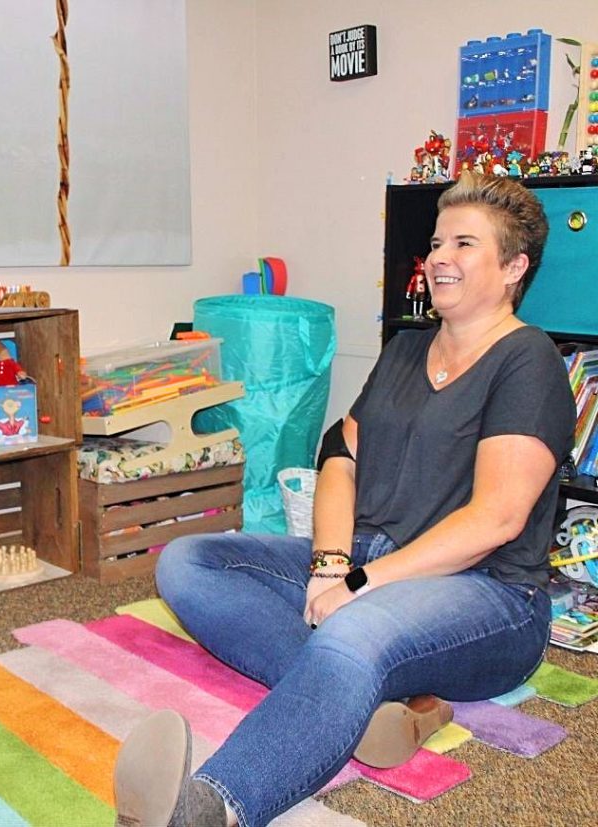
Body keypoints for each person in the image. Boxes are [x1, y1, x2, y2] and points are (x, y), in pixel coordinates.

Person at [113, 173, 575, 827]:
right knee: (188, 561)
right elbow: (340, 455)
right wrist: (331, 564)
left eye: (465, 244)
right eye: (438, 241)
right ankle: (358, 700)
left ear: (513, 266)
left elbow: (496, 517)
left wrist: (358, 585)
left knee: (353, 631)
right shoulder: (407, 346)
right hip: (369, 559)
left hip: (489, 596)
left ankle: (210, 806)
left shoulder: (528, 361)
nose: (440, 256)